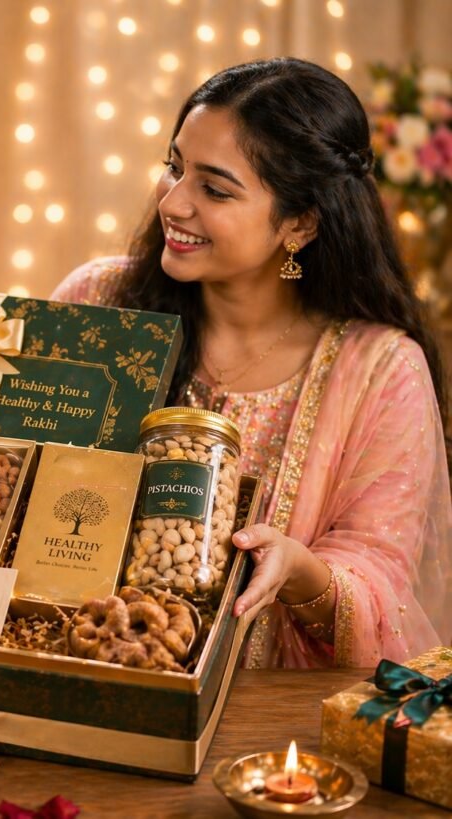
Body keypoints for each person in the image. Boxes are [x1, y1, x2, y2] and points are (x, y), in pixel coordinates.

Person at [53, 58, 452, 668]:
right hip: (78, 665)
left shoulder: (379, 369)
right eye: (174, 167)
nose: (174, 202)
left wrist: (300, 572)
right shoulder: (97, 303)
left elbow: (383, 581)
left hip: (265, 714)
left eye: (214, 189)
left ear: (299, 223)